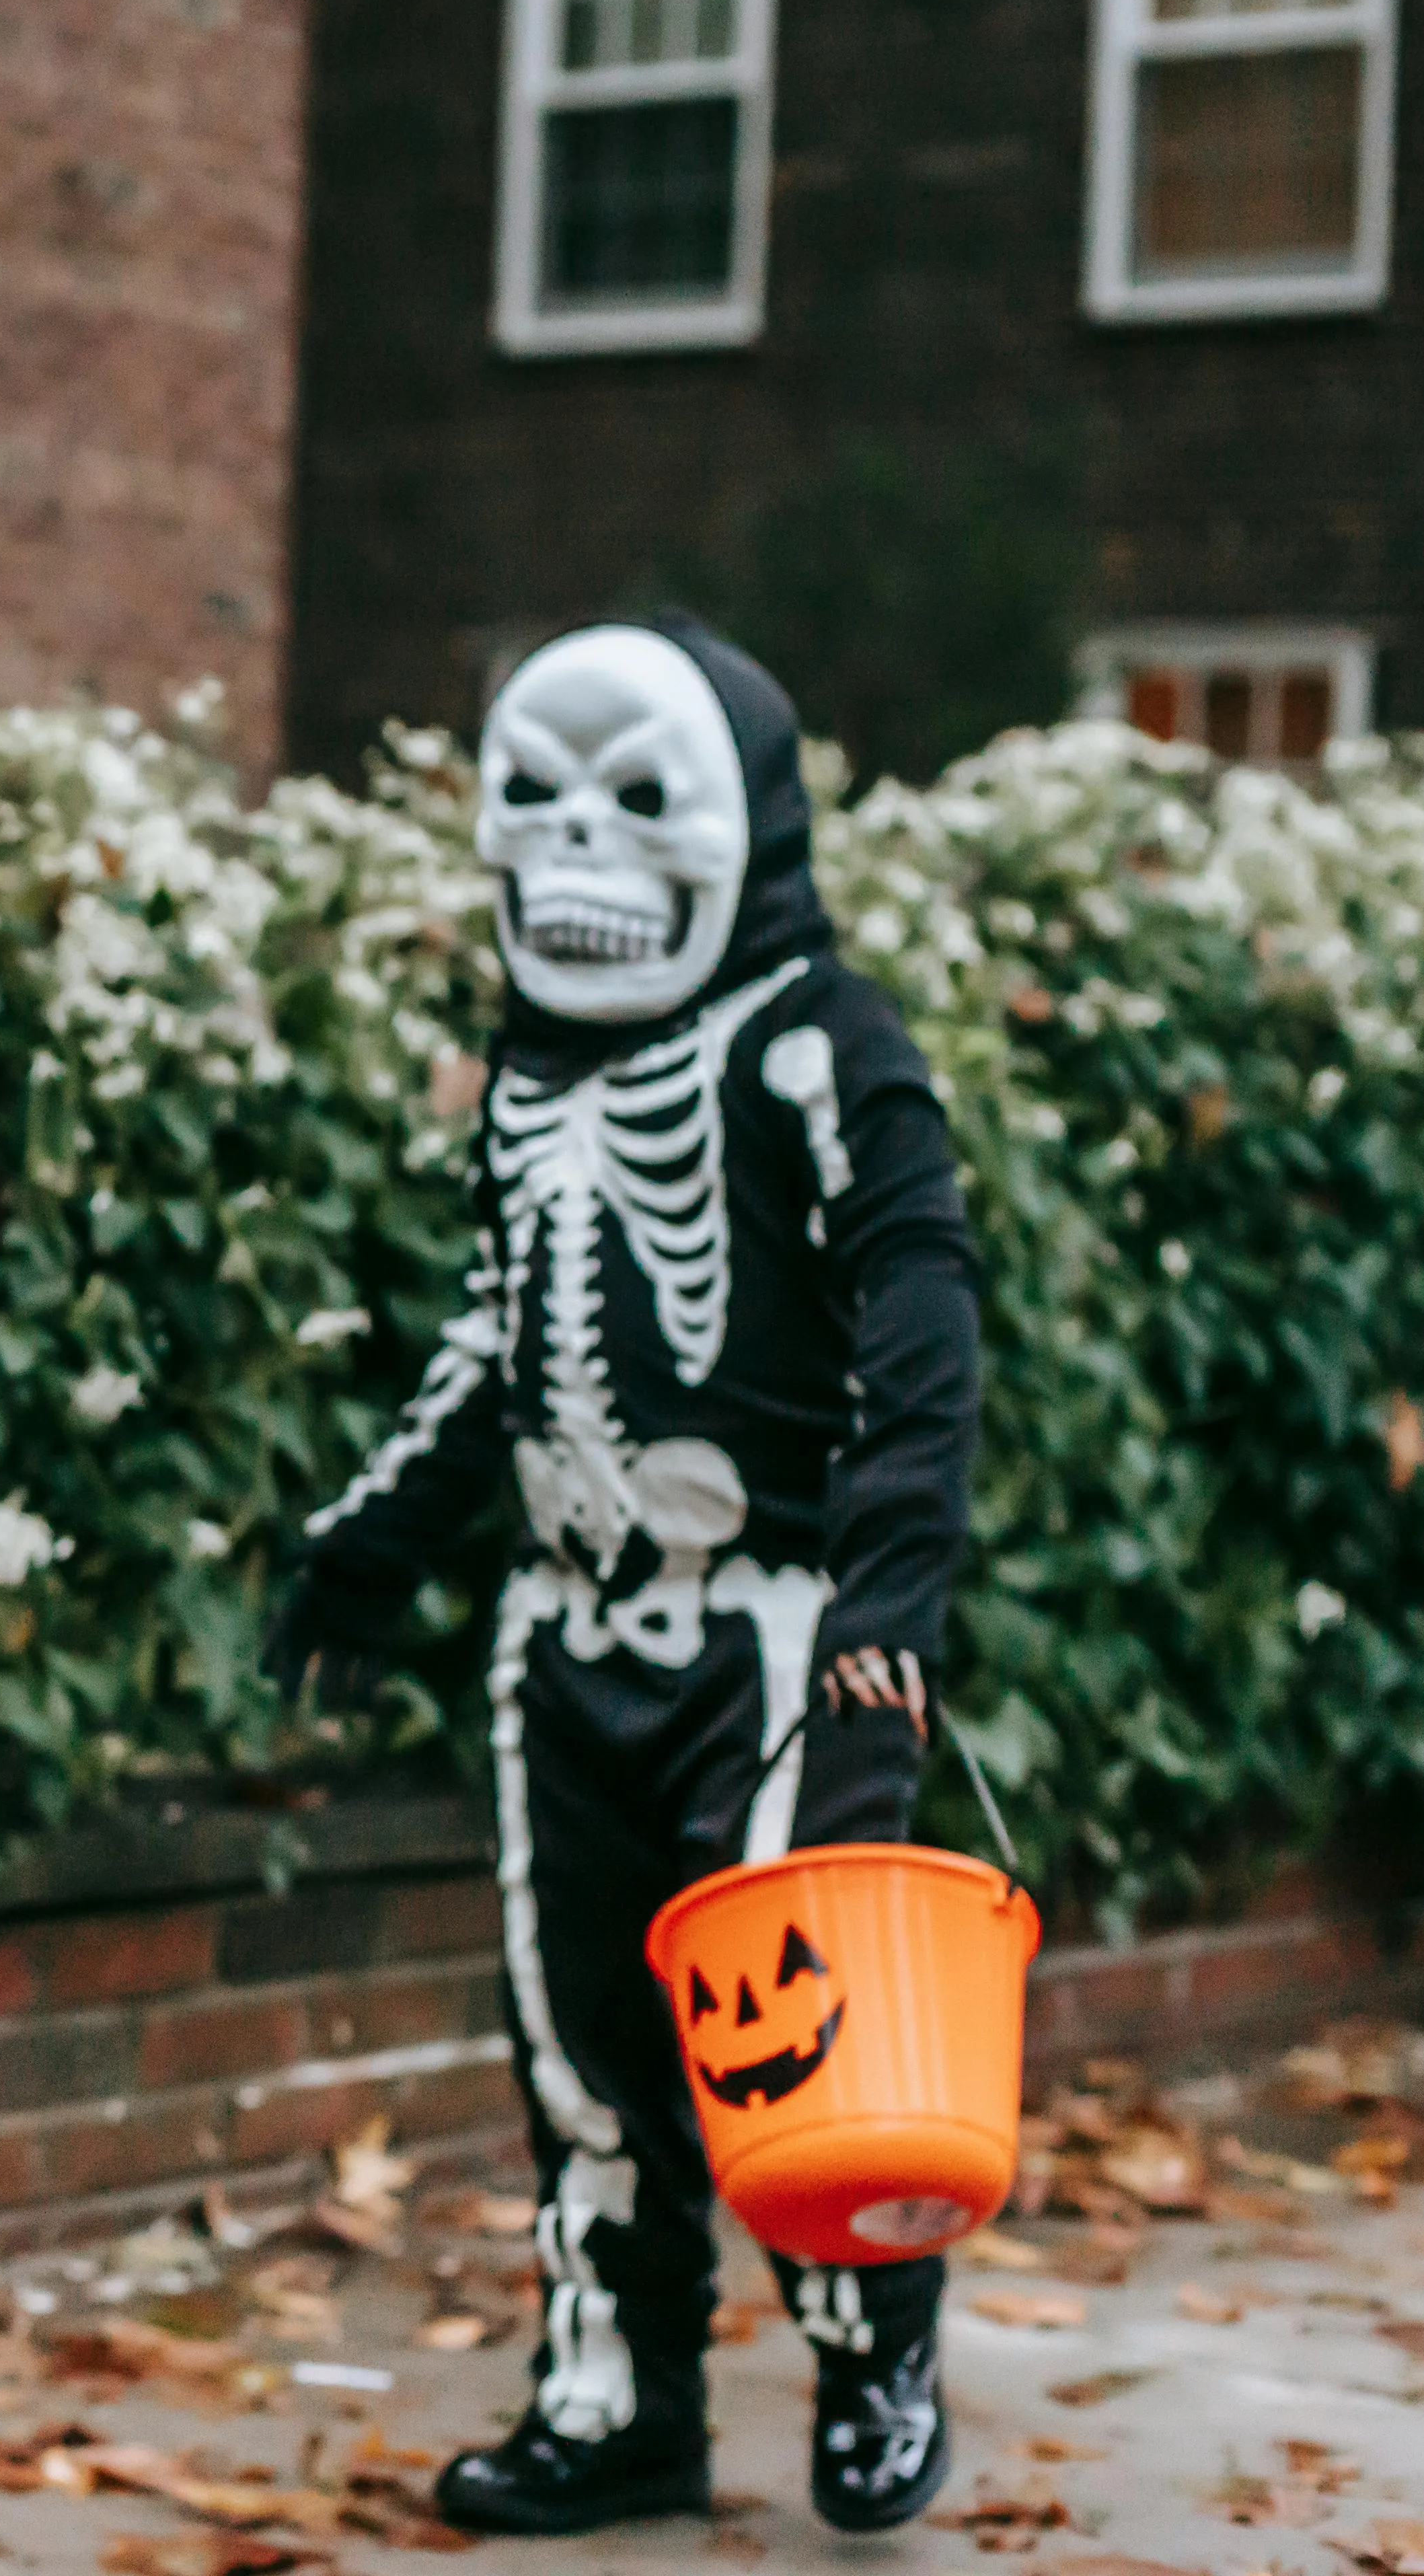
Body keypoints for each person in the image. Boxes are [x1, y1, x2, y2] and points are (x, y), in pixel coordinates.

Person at [272, 618, 981, 2535]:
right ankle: (616, 2402)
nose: (575, 847)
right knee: (580, 2052)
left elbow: (922, 1309)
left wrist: (886, 1602)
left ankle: (870, 2349)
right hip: (559, 1633)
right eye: (539, 801)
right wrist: (370, 1544)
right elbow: (504, 1335)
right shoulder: (533, 1068)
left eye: (637, 800)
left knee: (799, 2055)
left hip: (767, 1634)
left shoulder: (819, 1041)